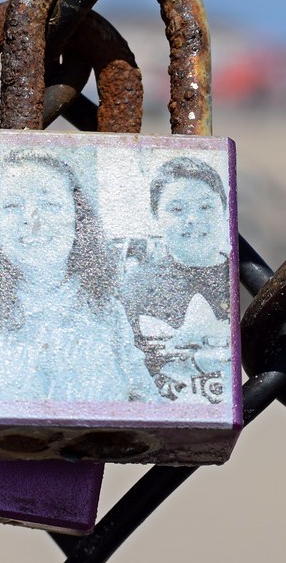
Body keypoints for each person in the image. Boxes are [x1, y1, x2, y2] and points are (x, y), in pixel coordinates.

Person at [0, 150, 158, 404]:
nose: (31, 221)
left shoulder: (106, 310)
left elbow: (147, 401)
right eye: (12, 205)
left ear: (78, 219)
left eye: (50, 205)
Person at [121, 156, 232, 403]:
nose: (192, 219)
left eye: (205, 207)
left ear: (224, 210)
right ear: (155, 216)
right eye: (177, 209)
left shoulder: (243, 282)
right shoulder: (134, 288)